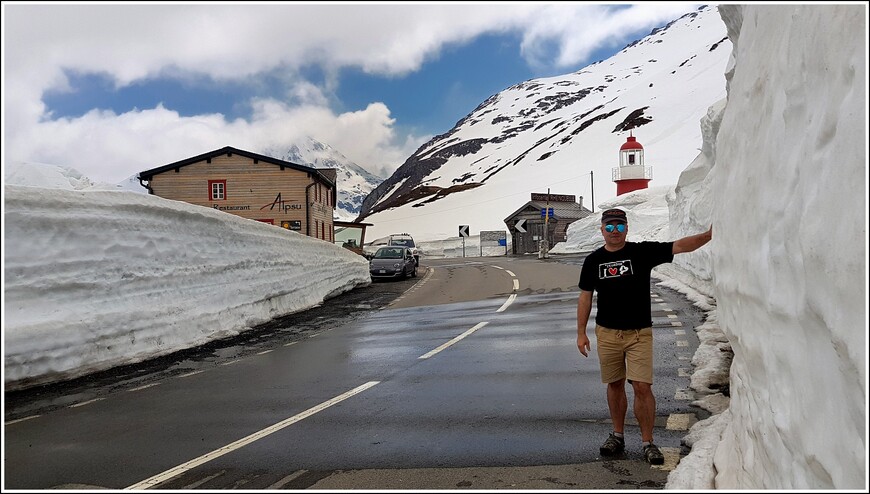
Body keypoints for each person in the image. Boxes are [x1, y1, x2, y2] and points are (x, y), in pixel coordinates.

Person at [575, 207, 712, 465]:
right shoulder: (593, 260)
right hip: (607, 333)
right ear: (602, 230)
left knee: (642, 386)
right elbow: (585, 296)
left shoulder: (641, 252)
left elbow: (679, 246)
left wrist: (708, 235)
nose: (615, 231)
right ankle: (617, 435)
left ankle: (648, 442)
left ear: (627, 227)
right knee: (614, 384)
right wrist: (581, 332)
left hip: (639, 333)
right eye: (610, 226)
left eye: (619, 226)